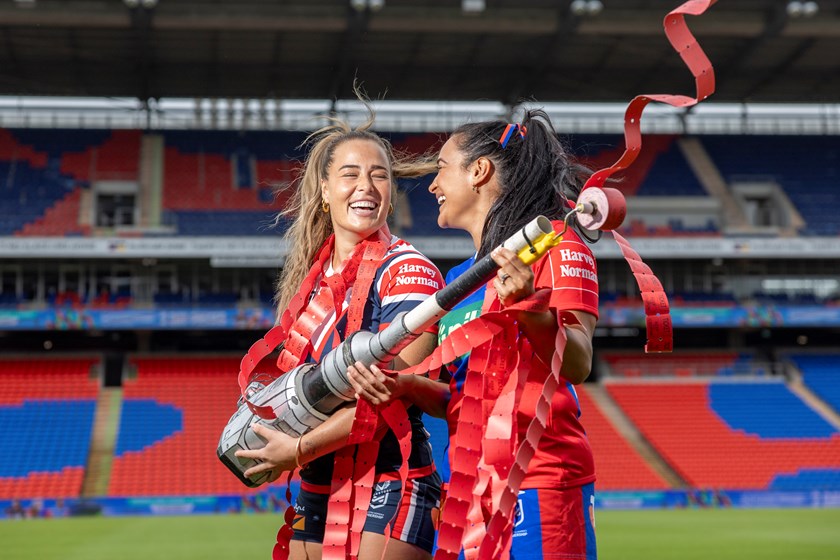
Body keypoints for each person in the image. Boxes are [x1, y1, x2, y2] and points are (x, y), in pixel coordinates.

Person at [348, 109, 599, 560]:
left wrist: (530, 307)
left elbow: (578, 363)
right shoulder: (459, 280)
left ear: (479, 171)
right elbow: (459, 397)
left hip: (538, 480)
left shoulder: (558, 245)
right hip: (468, 492)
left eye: (442, 168)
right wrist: (406, 386)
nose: (432, 185)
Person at [234, 102, 447, 560]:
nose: (366, 186)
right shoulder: (310, 282)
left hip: (391, 476)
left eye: (379, 175)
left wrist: (298, 448)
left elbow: (393, 393)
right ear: (325, 189)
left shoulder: (409, 270)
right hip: (317, 482)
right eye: (350, 174)